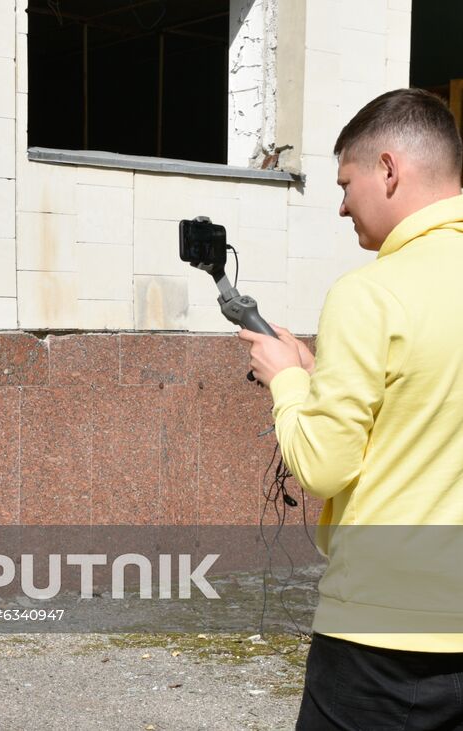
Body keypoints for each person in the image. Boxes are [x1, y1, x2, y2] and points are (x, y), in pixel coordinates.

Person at [239, 87, 463, 730]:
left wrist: (287, 381)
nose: (341, 206)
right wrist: (320, 375)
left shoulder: (370, 294)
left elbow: (323, 467)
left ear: (389, 169)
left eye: (346, 182)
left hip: (382, 635)